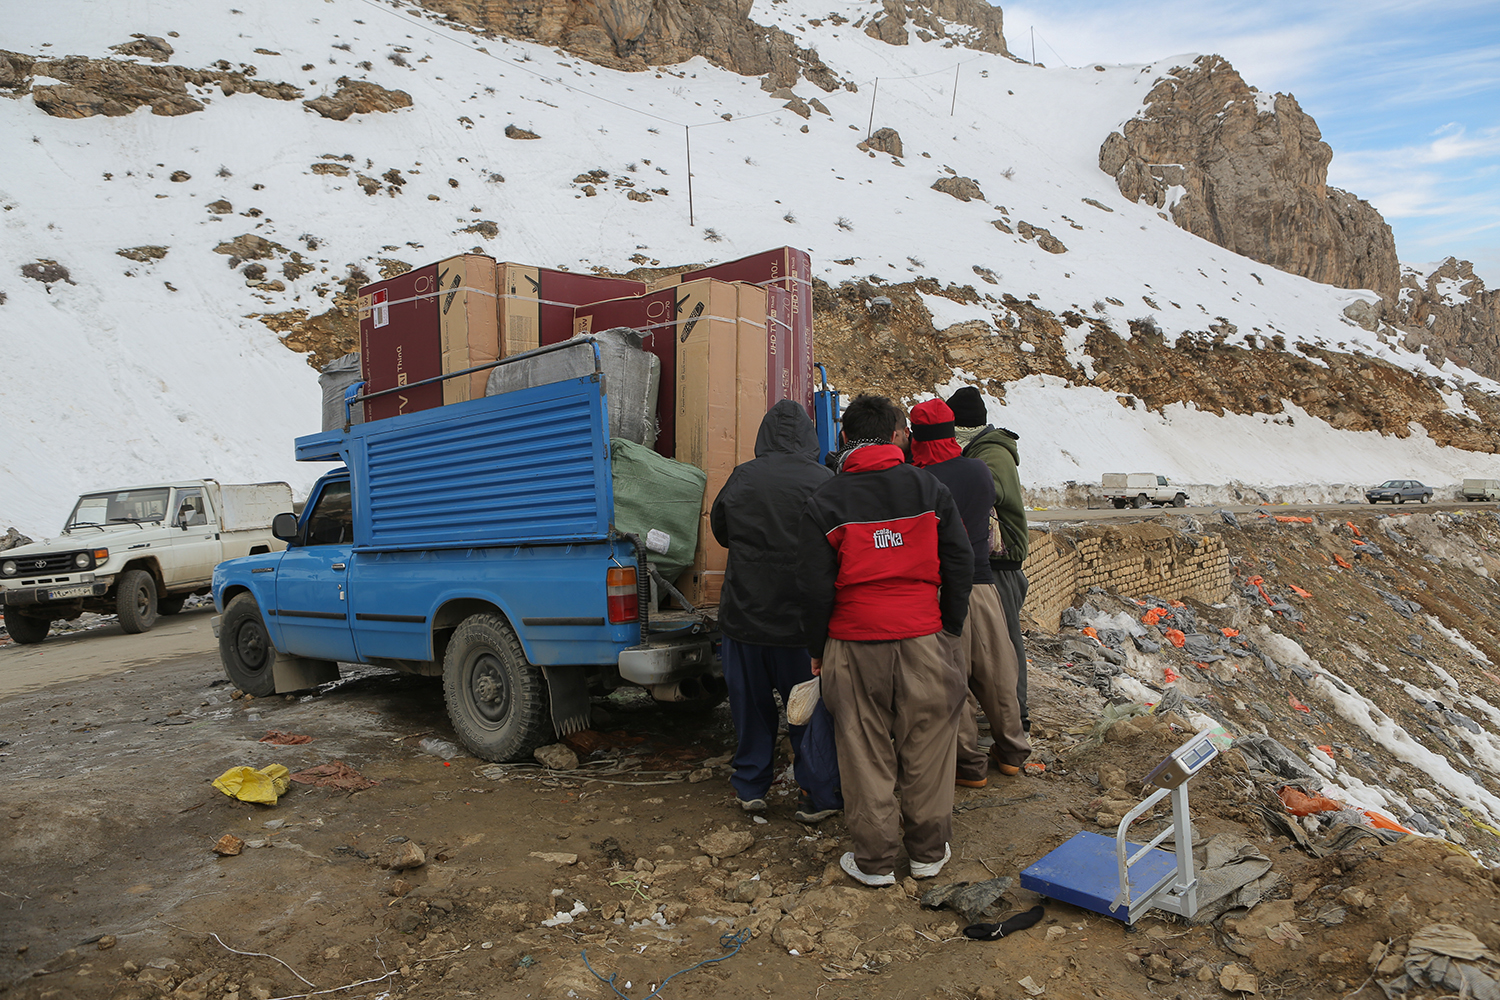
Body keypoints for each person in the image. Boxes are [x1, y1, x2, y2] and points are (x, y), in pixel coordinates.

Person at [799, 394, 974, 886]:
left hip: (853, 644)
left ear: (846, 439)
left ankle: (874, 862)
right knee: (928, 746)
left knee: (862, 748)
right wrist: (950, 627)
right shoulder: (929, 488)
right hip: (924, 636)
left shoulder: (825, 501)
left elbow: (812, 587)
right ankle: (926, 852)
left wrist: (818, 649)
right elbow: (959, 562)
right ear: (899, 435)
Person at [710, 399, 841, 823]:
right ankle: (818, 794)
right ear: (808, 437)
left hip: (744, 619)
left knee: (749, 708)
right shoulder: (825, 480)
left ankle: (751, 786)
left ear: (763, 435)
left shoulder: (742, 477)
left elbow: (721, 530)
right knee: (807, 710)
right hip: (800, 628)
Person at [907, 399, 1029, 786]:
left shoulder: (917, 479)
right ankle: (1011, 752)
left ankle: (969, 765)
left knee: (951, 678)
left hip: (940, 591)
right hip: (982, 585)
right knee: (997, 672)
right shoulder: (978, 471)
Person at [948, 386, 1033, 735]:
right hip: (987, 562)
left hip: (1001, 563)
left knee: (1006, 645)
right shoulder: (979, 450)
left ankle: (1018, 715)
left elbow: (986, 493)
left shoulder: (992, 453)